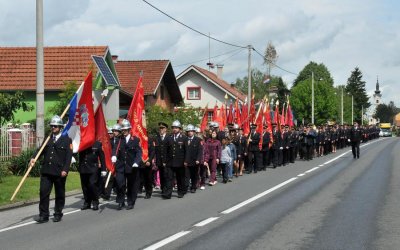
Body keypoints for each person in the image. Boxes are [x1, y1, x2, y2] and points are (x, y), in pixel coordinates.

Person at [31, 115, 72, 223]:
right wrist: (33, 158)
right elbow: (40, 150)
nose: (53, 128)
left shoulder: (67, 140)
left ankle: (58, 213)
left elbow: (68, 157)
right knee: (43, 193)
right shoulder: (47, 139)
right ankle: (43, 215)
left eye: (55, 126)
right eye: (52, 126)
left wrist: (65, 170)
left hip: (59, 172)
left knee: (59, 194)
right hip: (46, 171)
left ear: (60, 127)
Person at [113, 119, 142, 210]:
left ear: (129, 130)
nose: (124, 131)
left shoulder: (135, 140)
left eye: (125, 130)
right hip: (120, 166)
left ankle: (130, 202)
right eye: (123, 130)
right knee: (120, 184)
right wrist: (113, 156)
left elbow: (139, 153)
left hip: (131, 166)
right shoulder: (119, 140)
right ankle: (120, 201)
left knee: (131, 185)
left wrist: (136, 162)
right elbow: (115, 150)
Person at [78, 140, 106, 211]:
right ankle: (87, 202)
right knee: (84, 186)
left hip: (93, 168)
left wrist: (103, 169)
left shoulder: (98, 144)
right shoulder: (81, 142)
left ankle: (95, 201)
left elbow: (102, 157)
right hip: (83, 167)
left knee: (92, 184)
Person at [164, 120, 187, 199]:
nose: (175, 129)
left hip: (180, 162)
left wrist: (185, 161)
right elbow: (166, 150)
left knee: (180, 178)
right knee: (169, 178)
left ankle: (180, 192)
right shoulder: (169, 137)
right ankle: (168, 193)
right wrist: (165, 160)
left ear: (179, 129)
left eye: (176, 128)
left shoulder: (184, 138)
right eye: (173, 128)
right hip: (170, 162)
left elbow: (186, 150)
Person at [184, 124, 203, 193]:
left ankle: (193, 187)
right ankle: (185, 187)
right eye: (188, 131)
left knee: (194, 175)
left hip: (195, 161)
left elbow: (200, 151)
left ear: (194, 132)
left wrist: (198, 159)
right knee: (186, 175)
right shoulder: (185, 139)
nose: (190, 132)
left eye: (191, 131)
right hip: (186, 161)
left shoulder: (198, 140)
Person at [154, 122, 169, 196]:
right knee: (162, 175)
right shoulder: (156, 138)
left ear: (166, 129)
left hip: (167, 161)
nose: (161, 129)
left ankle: (166, 189)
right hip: (159, 161)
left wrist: (167, 160)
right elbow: (155, 150)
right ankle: (163, 189)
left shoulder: (169, 137)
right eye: (160, 128)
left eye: (162, 128)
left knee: (167, 175)